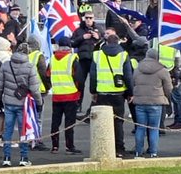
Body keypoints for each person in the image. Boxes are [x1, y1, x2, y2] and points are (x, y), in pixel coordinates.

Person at [0, 43, 43, 167]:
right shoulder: (30, 67)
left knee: (8, 130)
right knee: (23, 131)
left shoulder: (6, 65)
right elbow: (35, 89)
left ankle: (6, 158)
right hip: (23, 104)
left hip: (8, 102)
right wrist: (39, 103)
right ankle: (23, 158)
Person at [90, 27, 134, 156]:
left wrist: (93, 91)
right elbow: (128, 76)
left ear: (106, 42)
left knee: (102, 123)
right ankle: (119, 149)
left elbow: (93, 75)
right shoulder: (123, 55)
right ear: (118, 42)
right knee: (118, 122)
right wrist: (130, 93)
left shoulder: (97, 55)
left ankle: (103, 148)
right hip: (118, 93)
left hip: (102, 92)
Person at [132, 47, 173, 158]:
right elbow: (169, 88)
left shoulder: (138, 69)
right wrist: (165, 96)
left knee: (140, 128)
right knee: (154, 129)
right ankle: (153, 152)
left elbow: (133, 83)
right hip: (156, 102)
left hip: (140, 102)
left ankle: (138, 152)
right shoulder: (162, 70)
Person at [49, 38, 82, 155]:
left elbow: (47, 75)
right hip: (71, 95)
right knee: (69, 123)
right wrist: (79, 91)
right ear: (69, 47)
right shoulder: (72, 59)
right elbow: (79, 78)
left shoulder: (52, 59)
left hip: (57, 95)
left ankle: (55, 146)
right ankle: (69, 146)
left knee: (55, 122)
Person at [70, 11, 103, 112]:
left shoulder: (99, 29)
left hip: (95, 60)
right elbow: (72, 43)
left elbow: (106, 40)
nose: (88, 20)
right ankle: (78, 104)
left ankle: (96, 104)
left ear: (93, 19)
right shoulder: (78, 30)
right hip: (83, 59)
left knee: (96, 83)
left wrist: (98, 37)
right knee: (80, 82)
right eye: (87, 18)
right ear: (84, 19)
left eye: (90, 18)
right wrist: (82, 37)